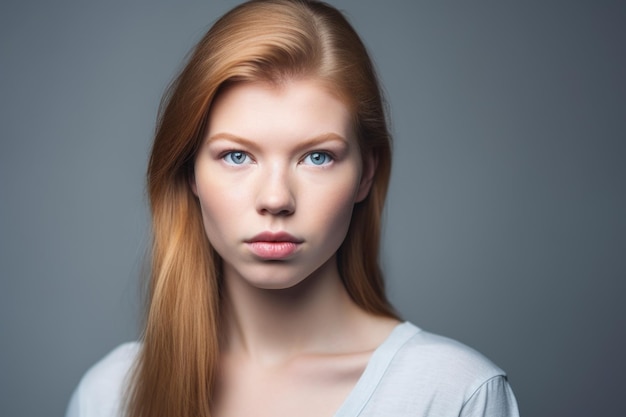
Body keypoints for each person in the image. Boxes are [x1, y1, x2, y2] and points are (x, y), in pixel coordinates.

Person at [65, 1, 519, 416]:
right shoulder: (111, 395)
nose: (276, 199)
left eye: (316, 157)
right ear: (189, 173)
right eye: (236, 156)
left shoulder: (452, 392)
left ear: (365, 174)